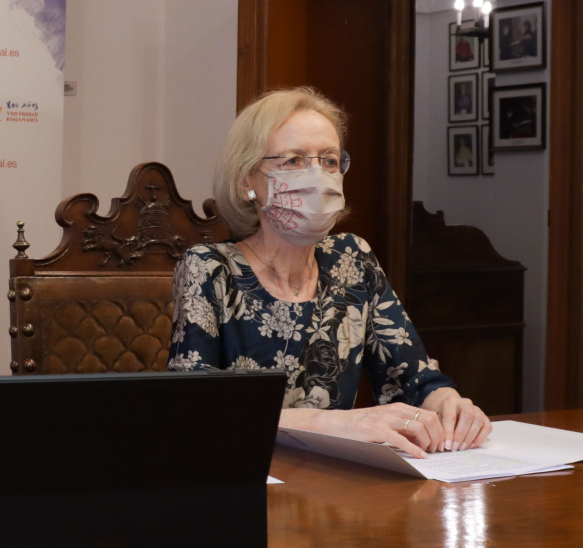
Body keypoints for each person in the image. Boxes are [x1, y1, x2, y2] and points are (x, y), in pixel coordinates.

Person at [168, 87, 491, 456]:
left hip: (337, 477)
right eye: (294, 160)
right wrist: (328, 423)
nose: (317, 176)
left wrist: (449, 403)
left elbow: (412, 377)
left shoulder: (351, 259)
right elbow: (194, 407)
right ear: (247, 181)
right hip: (244, 471)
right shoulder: (208, 268)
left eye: (330, 161)